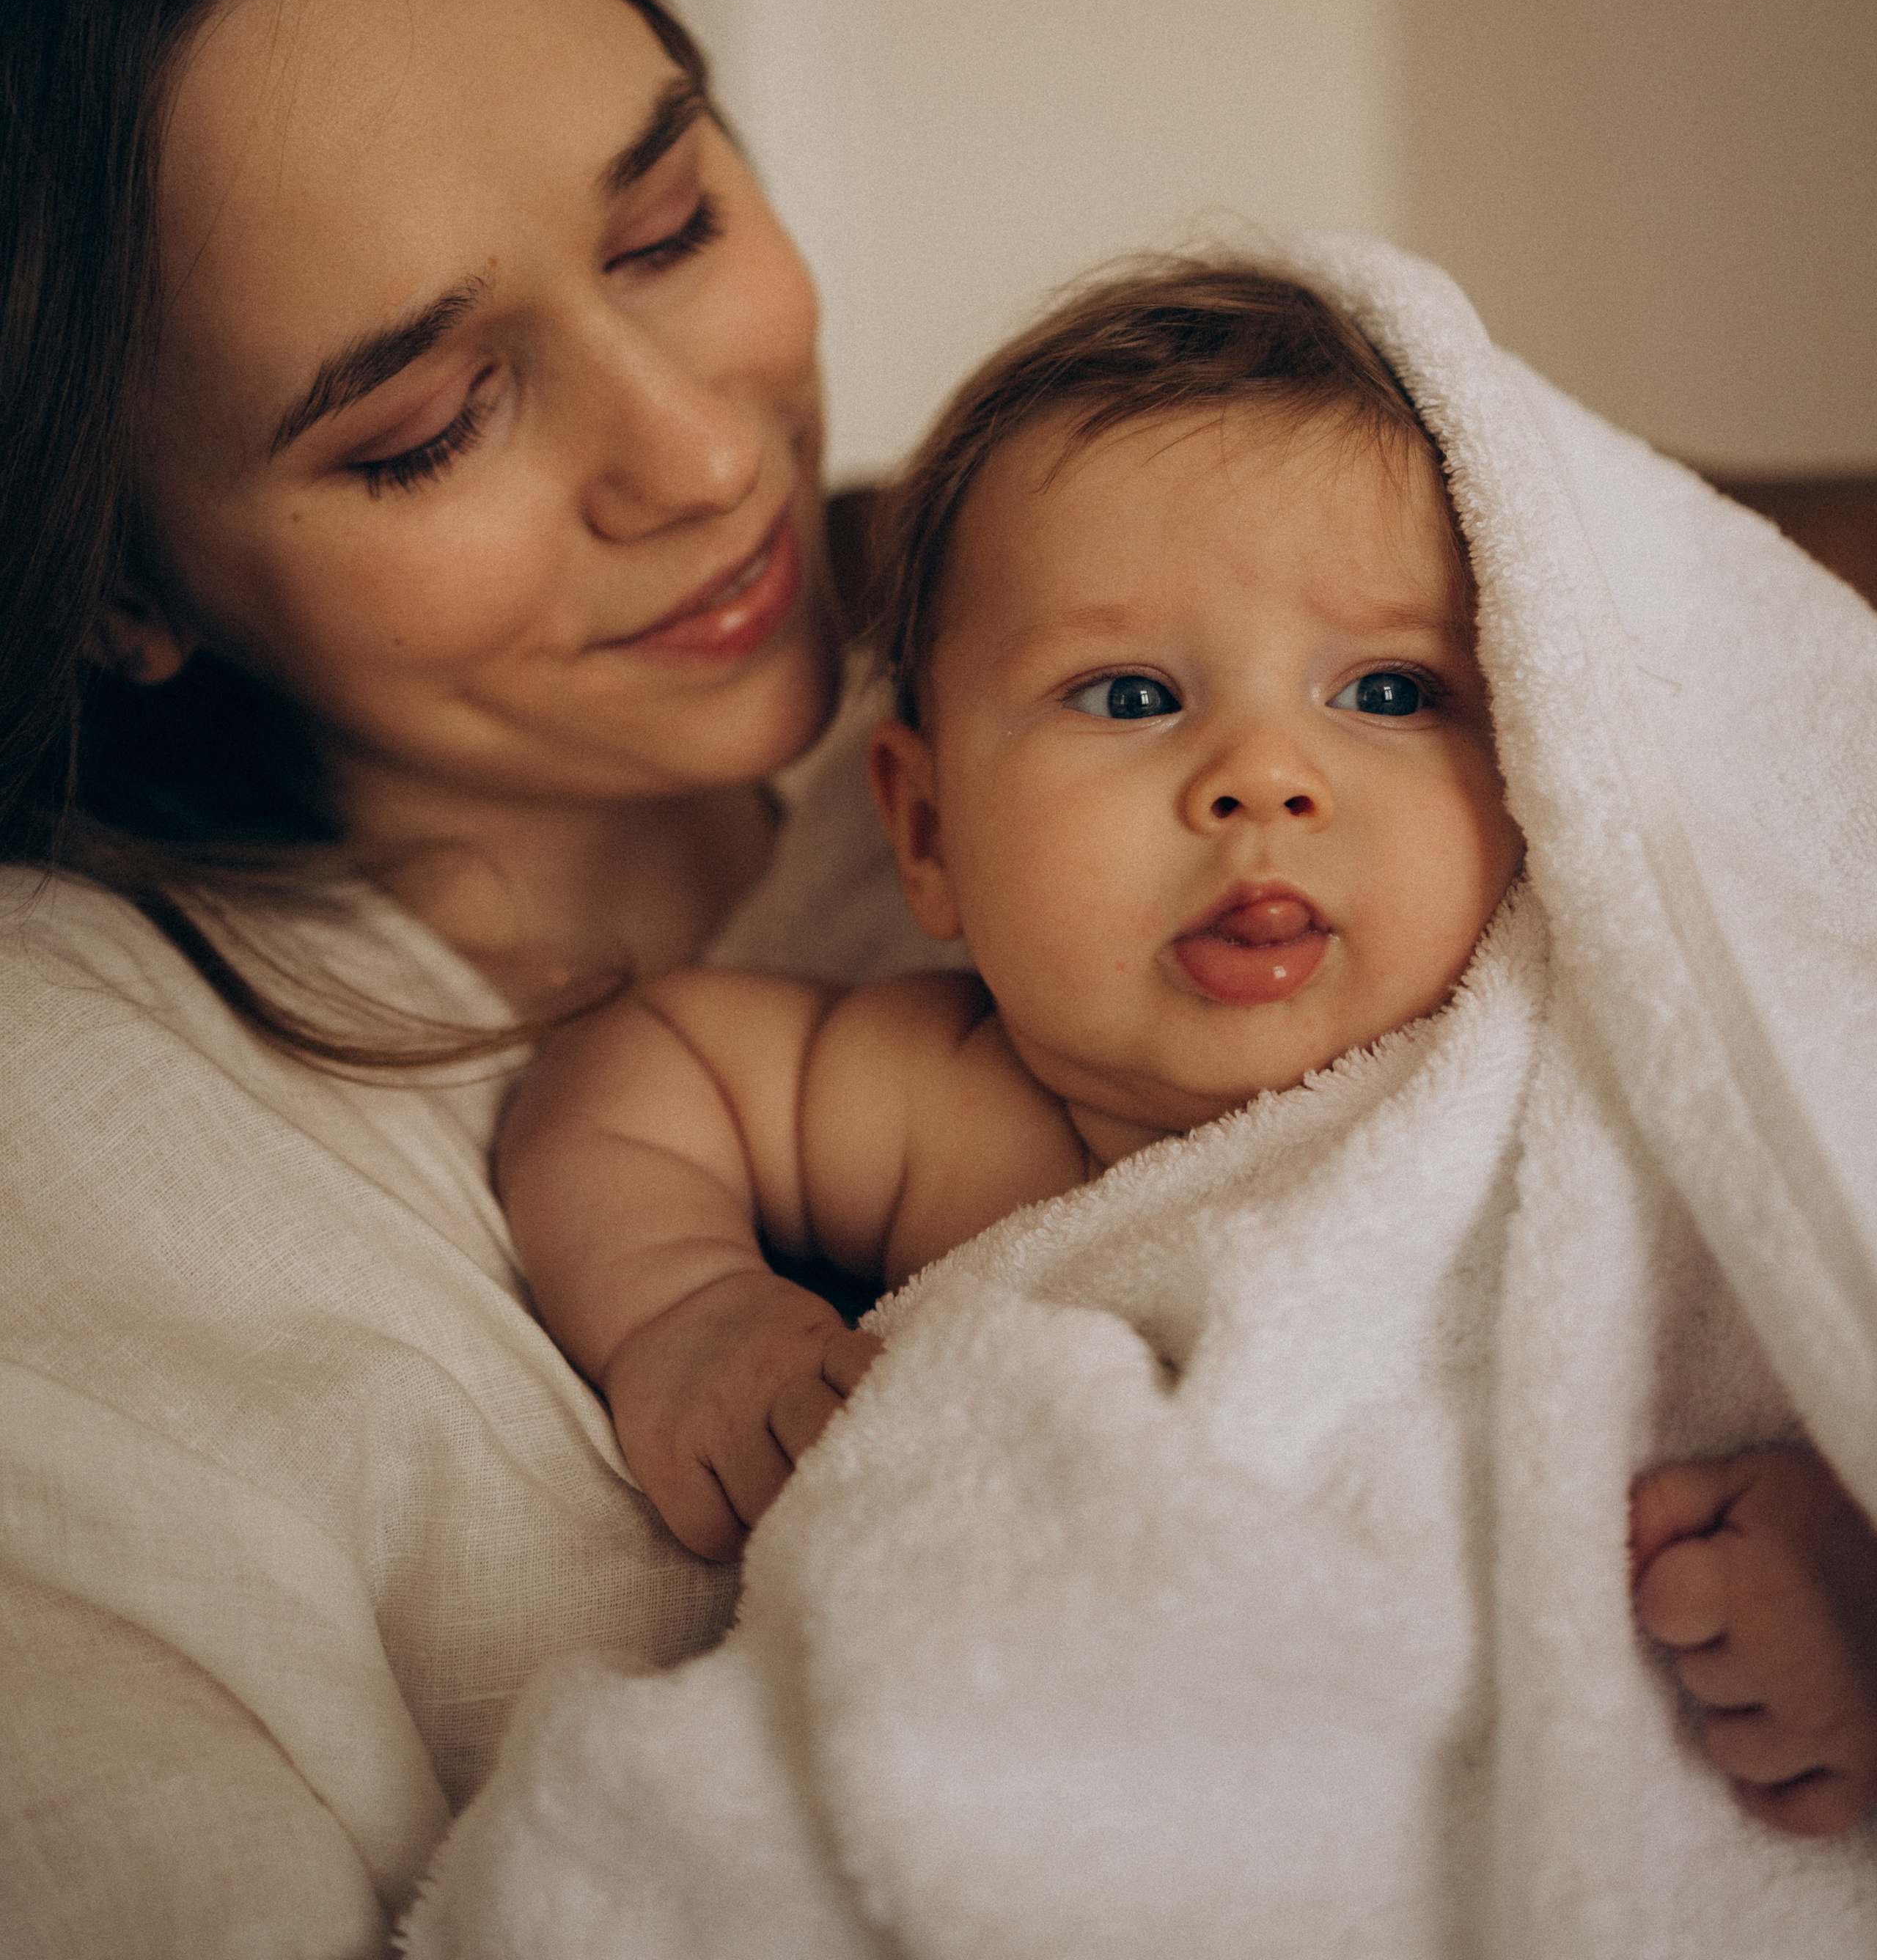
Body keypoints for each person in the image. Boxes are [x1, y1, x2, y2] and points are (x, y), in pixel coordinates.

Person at [499, 258, 1877, 1840]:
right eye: (1133, 692)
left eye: (1382, 689)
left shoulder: (1620, 1092)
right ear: (927, 828)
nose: (1262, 777)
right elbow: (632, 1074)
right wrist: (681, 1304)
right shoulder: (949, 1099)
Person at [0, 0, 951, 1960]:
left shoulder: (1099, 690)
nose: (704, 459)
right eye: (426, 426)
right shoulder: (85, 1145)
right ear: (119, 580)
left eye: (671, 222)